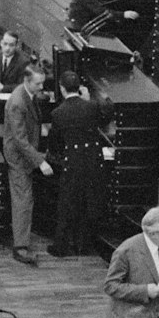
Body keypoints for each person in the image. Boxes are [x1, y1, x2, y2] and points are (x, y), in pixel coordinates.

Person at [48, 70, 110, 256]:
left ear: (61, 88)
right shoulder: (91, 107)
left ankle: (61, 247)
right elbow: (105, 114)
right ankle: (84, 246)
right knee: (88, 204)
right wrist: (89, 98)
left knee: (67, 205)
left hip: (73, 163)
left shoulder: (58, 113)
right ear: (79, 87)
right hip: (93, 161)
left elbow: (55, 143)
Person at [2, 62, 51, 267]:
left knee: (24, 198)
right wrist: (40, 161)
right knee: (23, 199)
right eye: (38, 84)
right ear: (26, 81)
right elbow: (20, 140)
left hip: (26, 152)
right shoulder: (17, 102)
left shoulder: (27, 95)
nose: (42, 88)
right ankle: (20, 247)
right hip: (19, 157)